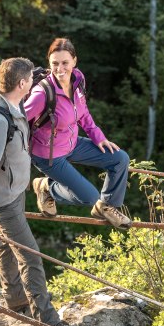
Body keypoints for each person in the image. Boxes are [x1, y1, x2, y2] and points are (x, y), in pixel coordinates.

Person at [0, 57, 70, 326]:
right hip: (2, 201)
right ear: (21, 84)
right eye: (30, 80)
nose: (34, 83)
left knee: (6, 246)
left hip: (15, 191)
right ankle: (48, 322)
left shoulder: (12, 101)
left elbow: (30, 79)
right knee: (31, 257)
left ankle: (15, 301)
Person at [24, 38, 132, 229]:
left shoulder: (78, 79)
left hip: (72, 144)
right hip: (48, 154)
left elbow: (83, 113)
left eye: (65, 63)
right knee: (89, 197)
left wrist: (98, 137)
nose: (60, 69)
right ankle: (46, 186)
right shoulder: (42, 93)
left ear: (74, 61)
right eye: (55, 64)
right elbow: (19, 119)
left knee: (120, 158)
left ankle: (107, 207)